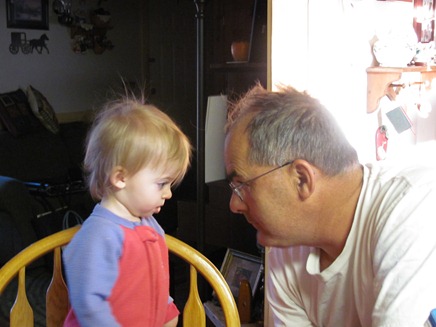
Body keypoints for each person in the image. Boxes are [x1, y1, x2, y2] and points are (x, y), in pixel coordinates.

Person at [224, 84, 436, 326]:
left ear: (301, 179)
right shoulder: (286, 251)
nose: (234, 205)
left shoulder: (412, 208)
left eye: (241, 185)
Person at [62, 95, 192, 327]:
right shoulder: (98, 235)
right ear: (121, 178)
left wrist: (166, 309)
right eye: (161, 183)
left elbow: (155, 279)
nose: (168, 194)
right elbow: (89, 306)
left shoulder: (149, 224)